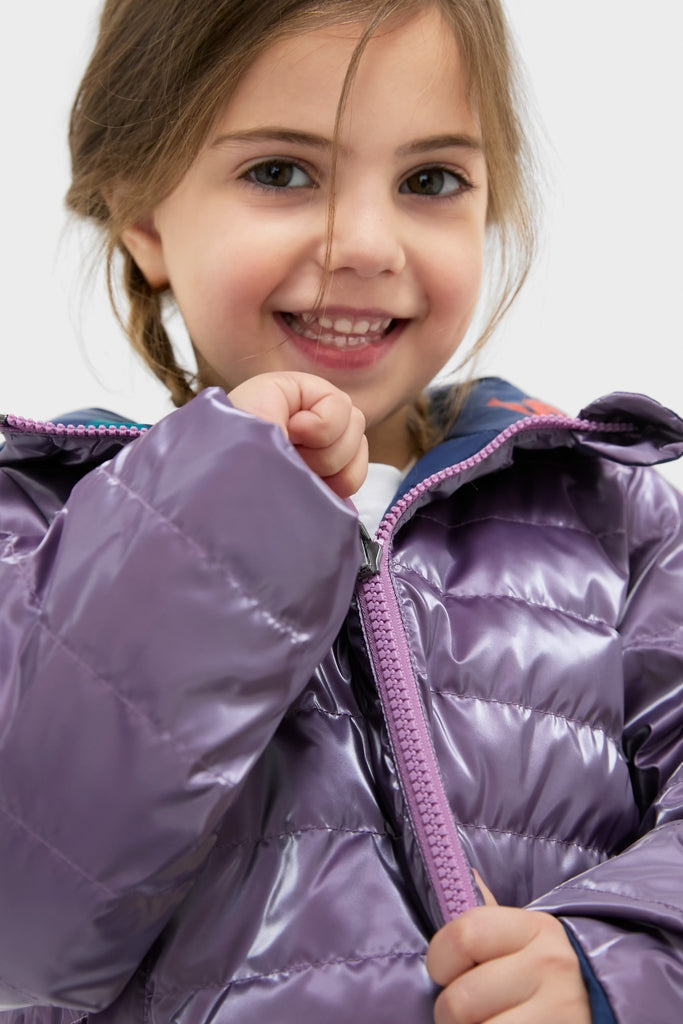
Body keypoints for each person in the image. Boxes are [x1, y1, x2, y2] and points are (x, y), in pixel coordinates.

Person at [0, 0, 682, 1021]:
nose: (365, 242)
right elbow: (27, 930)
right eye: (279, 172)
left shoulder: (609, 516)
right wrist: (215, 500)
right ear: (143, 217)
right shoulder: (44, 532)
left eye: (429, 181)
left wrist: (608, 972)